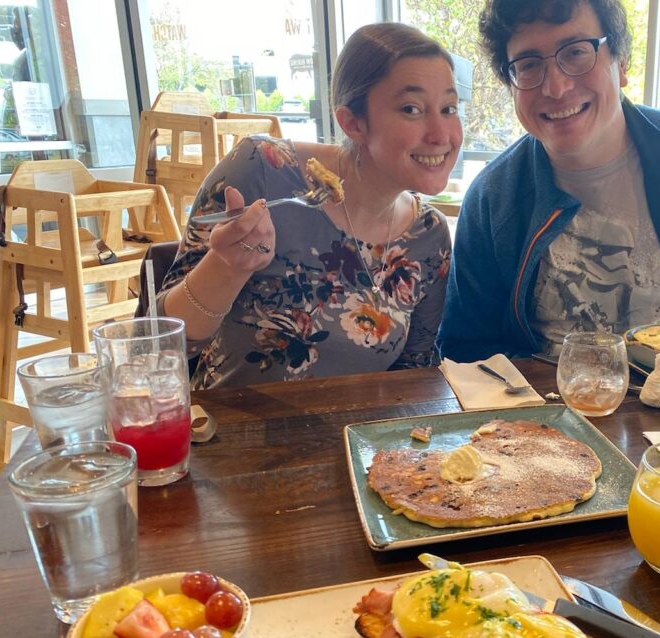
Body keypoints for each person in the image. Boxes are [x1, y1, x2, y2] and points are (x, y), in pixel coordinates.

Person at [438, 0, 660, 362]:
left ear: (621, 64)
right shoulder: (493, 196)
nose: (556, 87)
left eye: (576, 53)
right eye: (528, 65)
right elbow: (467, 347)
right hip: (544, 409)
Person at [158, 23, 462, 388]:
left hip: (358, 439)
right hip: (233, 436)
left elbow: (414, 375)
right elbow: (161, 347)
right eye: (412, 109)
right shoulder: (263, 171)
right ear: (352, 121)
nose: (441, 135)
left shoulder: (428, 235)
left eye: (448, 108)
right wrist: (225, 268)